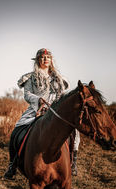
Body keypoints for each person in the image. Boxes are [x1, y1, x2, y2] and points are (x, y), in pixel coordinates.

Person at [4, 48, 80, 179]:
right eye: (42, 57)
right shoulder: (30, 78)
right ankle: (12, 164)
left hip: (56, 111)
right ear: (38, 60)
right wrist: (38, 100)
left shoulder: (60, 79)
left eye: (48, 57)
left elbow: (62, 96)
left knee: (74, 131)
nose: (45, 59)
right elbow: (27, 94)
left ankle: (73, 162)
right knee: (18, 130)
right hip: (37, 109)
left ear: (51, 60)